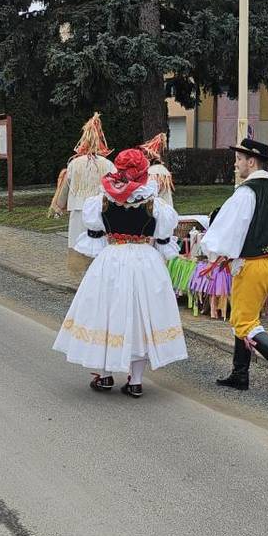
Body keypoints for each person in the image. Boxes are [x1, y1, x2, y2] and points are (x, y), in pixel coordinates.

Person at [53, 148, 187, 397]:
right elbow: (164, 240)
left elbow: (95, 238)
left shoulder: (101, 200)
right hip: (145, 263)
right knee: (140, 317)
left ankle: (104, 376)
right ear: (143, 172)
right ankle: (135, 381)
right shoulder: (155, 204)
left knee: (105, 313)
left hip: (112, 259)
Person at [205, 139, 268, 400]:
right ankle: (240, 373)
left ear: (251, 161)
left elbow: (228, 230)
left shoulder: (246, 193)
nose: (235, 164)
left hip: (251, 265)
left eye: (239, 159)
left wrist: (215, 254)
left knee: (245, 321)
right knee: (244, 314)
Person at [49, 113, 116, 276]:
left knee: (79, 242)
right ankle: (99, 273)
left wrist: (58, 205)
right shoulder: (108, 165)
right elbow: (116, 188)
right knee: (100, 242)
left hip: (79, 210)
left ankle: (80, 275)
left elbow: (66, 186)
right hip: (101, 211)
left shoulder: (74, 164)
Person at [139, 131, 175, 209]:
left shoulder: (154, 171)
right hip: (165, 207)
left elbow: (151, 192)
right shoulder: (160, 169)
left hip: (158, 210)